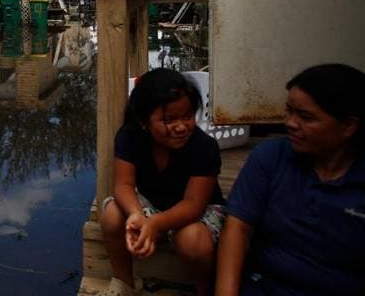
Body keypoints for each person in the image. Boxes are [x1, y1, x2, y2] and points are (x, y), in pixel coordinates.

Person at [216, 63, 365, 295]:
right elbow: (237, 228)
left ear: (348, 126)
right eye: (289, 111)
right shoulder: (271, 157)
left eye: (305, 117)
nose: (290, 123)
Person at [100, 68, 225, 296]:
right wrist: (137, 215)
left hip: (196, 213)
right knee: (112, 215)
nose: (181, 126)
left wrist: (155, 224)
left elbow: (193, 205)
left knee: (192, 240)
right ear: (144, 121)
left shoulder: (204, 147)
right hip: (152, 203)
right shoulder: (129, 136)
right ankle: (125, 284)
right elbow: (123, 185)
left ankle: (206, 290)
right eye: (169, 120)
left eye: (187, 116)